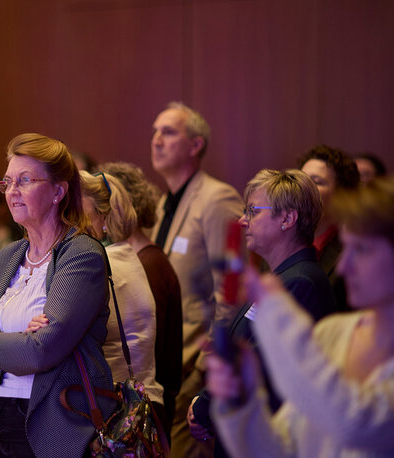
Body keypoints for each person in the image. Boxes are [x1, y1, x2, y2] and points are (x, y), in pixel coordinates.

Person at [0, 133, 116, 457]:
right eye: (8, 182)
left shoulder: (81, 253)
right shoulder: (9, 256)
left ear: (58, 191)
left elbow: (38, 353)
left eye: (25, 180)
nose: (13, 191)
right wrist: (13, 342)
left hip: (52, 421)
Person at [208, 176, 394, 457]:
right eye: (346, 248)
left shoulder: (301, 282)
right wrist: (241, 398)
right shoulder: (332, 332)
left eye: (362, 249)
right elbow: (281, 447)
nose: (342, 267)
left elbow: (356, 424)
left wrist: (278, 316)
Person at [188, 169, 337, 456]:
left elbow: (259, 363)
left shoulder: (300, 282)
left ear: (287, 219)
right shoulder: (279, 276)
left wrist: (203, 405)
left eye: (253, 211)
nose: (243, 221)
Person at [150, 101, 243, 457]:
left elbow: (231, 290)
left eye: (168, 132)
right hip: (164, 365)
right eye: (155, 132)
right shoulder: (164, 205)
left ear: (196, 144)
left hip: (195, 366)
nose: (157, 140)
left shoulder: (218, 199)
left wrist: (206, 364)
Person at [100, 161, 183, 438]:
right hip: (151, 404)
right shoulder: (149, 258)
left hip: (141, 412)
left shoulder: (142, 265)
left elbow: (149, 352)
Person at [80, 170, 165, 411]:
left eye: (77, 213)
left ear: (103, 218)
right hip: (132, 401)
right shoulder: (124, 255)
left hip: (116, 410)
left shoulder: (104, 262)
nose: (66, 220)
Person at [299, 145, 360, 311]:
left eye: (316, 182)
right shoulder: (283, 240)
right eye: (301, 179)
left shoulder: (352, 250)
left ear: (342, 194)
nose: (303, 187)